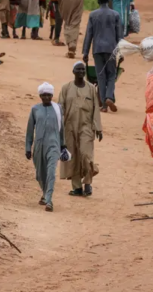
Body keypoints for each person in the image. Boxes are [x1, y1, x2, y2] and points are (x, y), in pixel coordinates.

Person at [58, 62, 102, 196]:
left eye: (83, 70)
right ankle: (76, 187)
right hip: (69, 127)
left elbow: (96, 109)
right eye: (78, 69)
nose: (81, 72)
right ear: (73, 72)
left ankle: (88, 182)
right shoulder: (66, 88)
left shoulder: (90, 88)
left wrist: (98, 128)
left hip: (86, 127)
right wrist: (58, 128)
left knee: (85, 155)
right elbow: (60, 109)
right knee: (73, 157)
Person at [25, 82, 69, 212]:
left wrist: (63, 145)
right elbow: (29, 130)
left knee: (51, 172)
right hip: (39, 146)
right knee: (40, 174)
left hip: (54, 145)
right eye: (43, 95)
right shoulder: (35, 109)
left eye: (49, 95)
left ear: (52, 95)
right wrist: (28, 147)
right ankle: (45, 194)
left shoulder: (57, 109)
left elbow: (62, 129)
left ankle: (49, 201)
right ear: (40, 96)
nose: (46, 97)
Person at [83, 0, 123, 113]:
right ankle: (109, 97)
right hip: (111, 49)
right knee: (111, 75)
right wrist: (121, 53)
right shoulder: (115, 14)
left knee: (101, 76)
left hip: (97, 49)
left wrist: (85, 52)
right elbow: (119, 36)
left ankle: (104, 106)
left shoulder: (93, 15)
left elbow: (89, 34)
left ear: (98, 2)